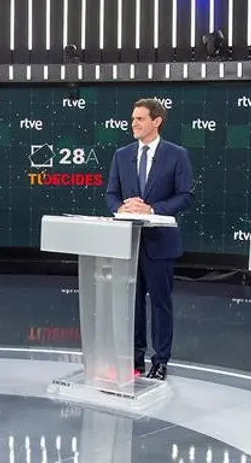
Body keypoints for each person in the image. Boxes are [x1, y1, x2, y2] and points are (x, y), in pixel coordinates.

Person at [105, 98, 193, 380]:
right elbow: (111, 194)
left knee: (160, 304)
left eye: (140, 119)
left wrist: (152, 209)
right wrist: (121, 207)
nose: (134, 123)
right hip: (128, 242)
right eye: (133, 119)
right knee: (132, 304)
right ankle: (134, 359)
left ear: (157, 121)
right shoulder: (122, 155)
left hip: (160, 243)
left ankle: (160, 361)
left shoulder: (176, 155)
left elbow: (185, 196)